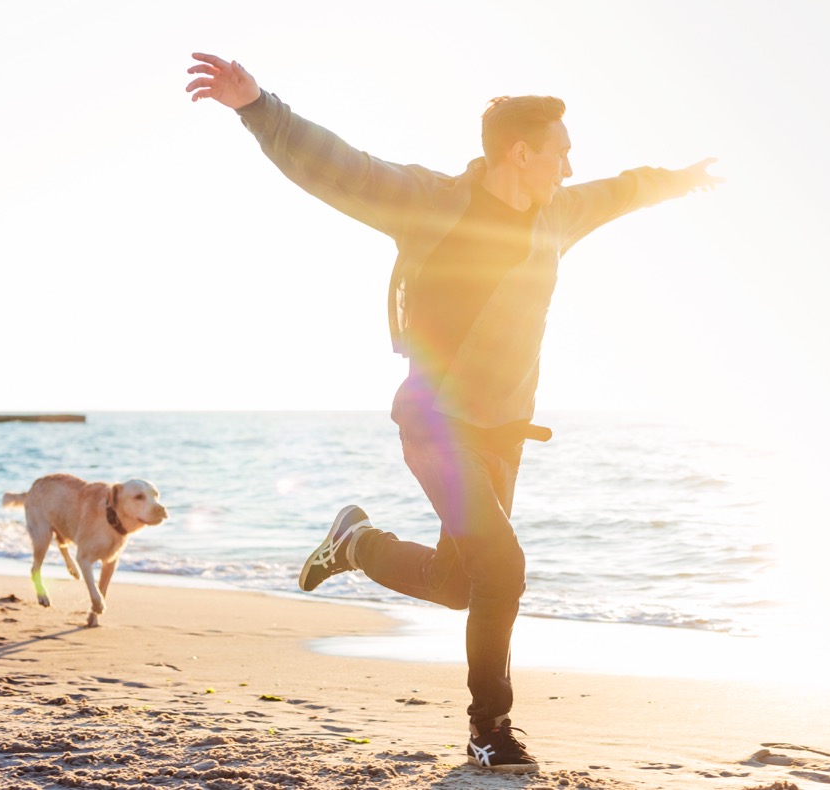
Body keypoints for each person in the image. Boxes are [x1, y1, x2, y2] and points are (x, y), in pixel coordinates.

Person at [186, 51, 723, 774]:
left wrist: (682, 181)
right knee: (503, 566)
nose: (569, 168)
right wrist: (258, 108)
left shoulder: (557, 215)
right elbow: (339, 166)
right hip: (435, 424)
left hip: (503, 433)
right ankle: (488, 731)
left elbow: (623, 190)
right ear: (520, 152)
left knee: (457, 584)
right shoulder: (430, 202)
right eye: (560, 153)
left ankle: (354, 543)